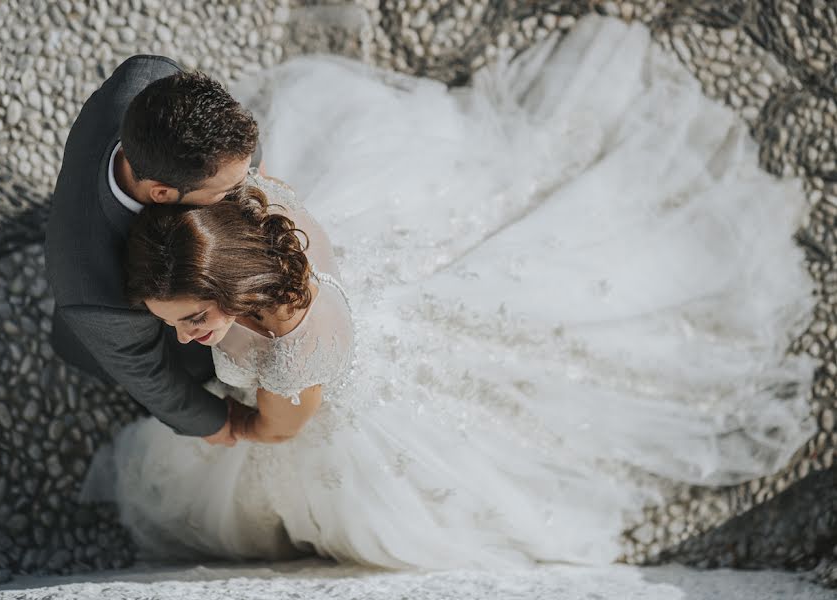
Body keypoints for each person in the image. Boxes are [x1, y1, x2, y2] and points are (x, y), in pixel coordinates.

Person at [83, 17, 818, 567]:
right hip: (346, 309)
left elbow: (276, 433)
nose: (181, 335)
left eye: (192, 318)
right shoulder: (263, 215)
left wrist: (223, 428)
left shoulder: (287, 355)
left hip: (327, 395)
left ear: (236, 288)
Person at [45, 55, 262, 446]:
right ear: (162, 194)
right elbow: (149, 375)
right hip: (118, 340)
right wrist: (215, 423)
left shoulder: (147, 77)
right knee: (192, 361)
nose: (245, 193)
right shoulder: (92, 288)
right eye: (227, 192)